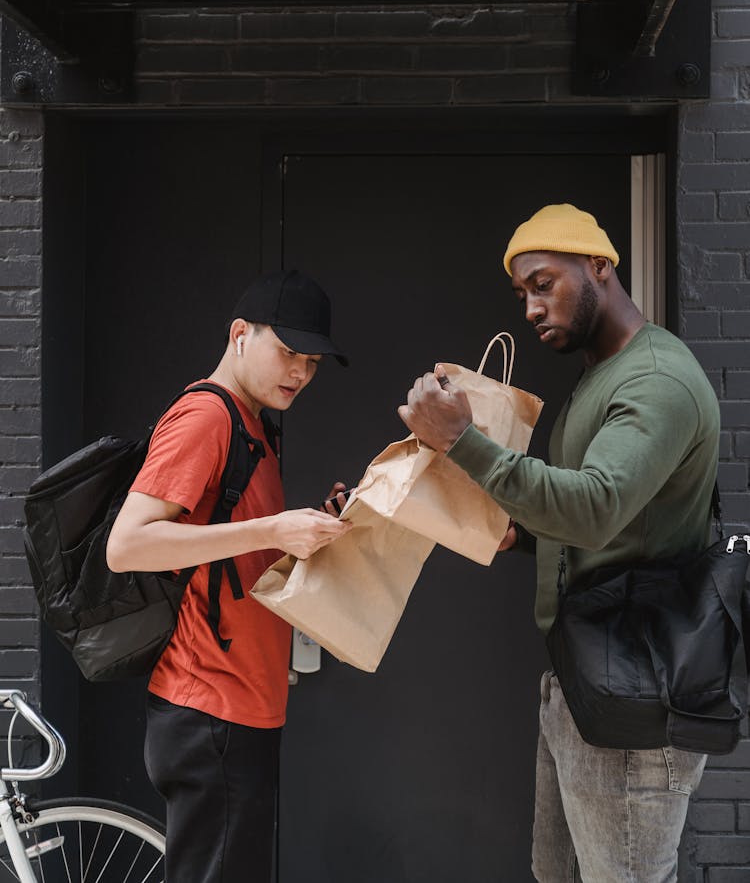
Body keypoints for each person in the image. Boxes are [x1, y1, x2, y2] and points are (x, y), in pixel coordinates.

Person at [398, 204, 720, 883]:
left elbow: (597, 507)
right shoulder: (603, 377)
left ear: (599, 265)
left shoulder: (655, 379)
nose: (532, 307)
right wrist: (512, 532)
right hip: (586, 681)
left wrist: (463, 439)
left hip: (634, 694)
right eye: (522, 294)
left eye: (544, 283)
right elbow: (601, 527)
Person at [106, 269, 352, 883]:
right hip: (209, 707)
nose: (300, 371)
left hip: (241, 707)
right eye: (288, 351)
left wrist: (312, 528)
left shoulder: (255, 425)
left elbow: (237, 556)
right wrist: (273, 531)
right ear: (240, 334)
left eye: (313, 361)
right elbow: (128, 544)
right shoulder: (207, 419)